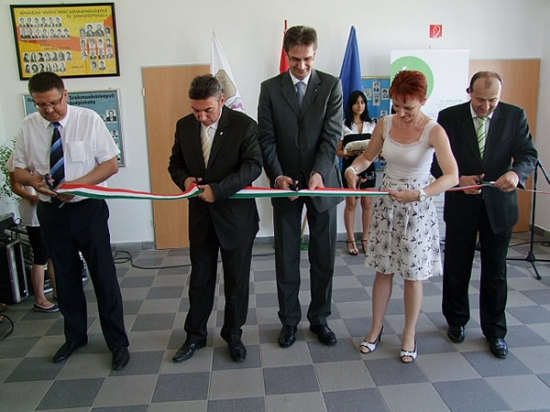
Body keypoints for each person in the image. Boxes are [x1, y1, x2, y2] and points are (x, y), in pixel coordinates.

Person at [13, 72, 130, 370]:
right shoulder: (28, 126)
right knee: (64, 277)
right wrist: (34, 181)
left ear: (65, 94)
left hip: (87, 209)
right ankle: (75, 336)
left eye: (53, 102)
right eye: (41, 104)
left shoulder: (88, 120)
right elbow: (19, 170)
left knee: (103, 276)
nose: (48, 109)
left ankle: (117, 342)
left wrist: (78, 185)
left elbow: (110, 165)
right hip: (51, 211)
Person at [346, 70, 458, 363]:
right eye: (396, 105)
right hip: (387, 206)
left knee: (412, 275)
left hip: (416, 208)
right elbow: (367, 157)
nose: (402, 112)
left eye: (408, 107)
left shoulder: (434, 131)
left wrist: (419, 194)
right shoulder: (385, 123)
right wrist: (352, 169)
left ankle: (409, 334)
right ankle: (375, 328)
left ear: (424, 100)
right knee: (383, 270)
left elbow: (452, 176)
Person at [433, 71, 538, 359]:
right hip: (461, 203)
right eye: (480, 100)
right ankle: (456, 320)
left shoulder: (515, 116)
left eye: (493, 100)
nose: (486, 106)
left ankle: (495, 331)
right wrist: (458, 179)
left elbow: (528, 154)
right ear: (469, 92)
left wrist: (516, 174)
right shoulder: (450, 117)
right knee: (457, 267)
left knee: (496, 272)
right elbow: (435, 162)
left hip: (499, 205)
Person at [257, 25, 343, 348]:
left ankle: (320, 319)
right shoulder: (270, 89)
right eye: (295, 59)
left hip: (323, 185)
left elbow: (331, 135)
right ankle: (289, 321)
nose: (302, 66)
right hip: (286, 185)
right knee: (287, 258)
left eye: (307, 59)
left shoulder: (331, 86)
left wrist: (319, 172)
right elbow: (266, 139)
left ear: (315, 54)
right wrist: (277, 176)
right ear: (286, 55)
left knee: (323, 257)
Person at [169, 74, 262, 363]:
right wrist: (184, 180)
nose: (201, 117)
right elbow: (175, 164)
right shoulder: (184, 126)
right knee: (200, 280)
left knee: (236, 282)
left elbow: (253, 166)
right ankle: (195, 335)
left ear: (222, 100)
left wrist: (218, 190)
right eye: (196, 110)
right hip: (201, 219)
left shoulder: (244, 125)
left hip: (236, 219)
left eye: (207, 110)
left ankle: (233, 335)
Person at [6, 156, 58, 313]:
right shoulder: (17, 157)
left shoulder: (44, 151)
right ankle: (40, 299)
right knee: (41, 254)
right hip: (33, 212)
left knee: (53, 254)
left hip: (49, 210)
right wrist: (33, 197)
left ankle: (58, 292)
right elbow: (15, 185)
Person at [337, 90, 376, 255]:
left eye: (362, 102)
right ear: (351, 105)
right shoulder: (344, 125)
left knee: (367, 204)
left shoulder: (372, 124)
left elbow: (378, 147)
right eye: (356, 102)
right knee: (351, 204)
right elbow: (338, 151)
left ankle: (365, 238)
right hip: (350, 168)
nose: (359, 105)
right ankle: (351, 239)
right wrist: (349, 153)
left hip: (369, 167)